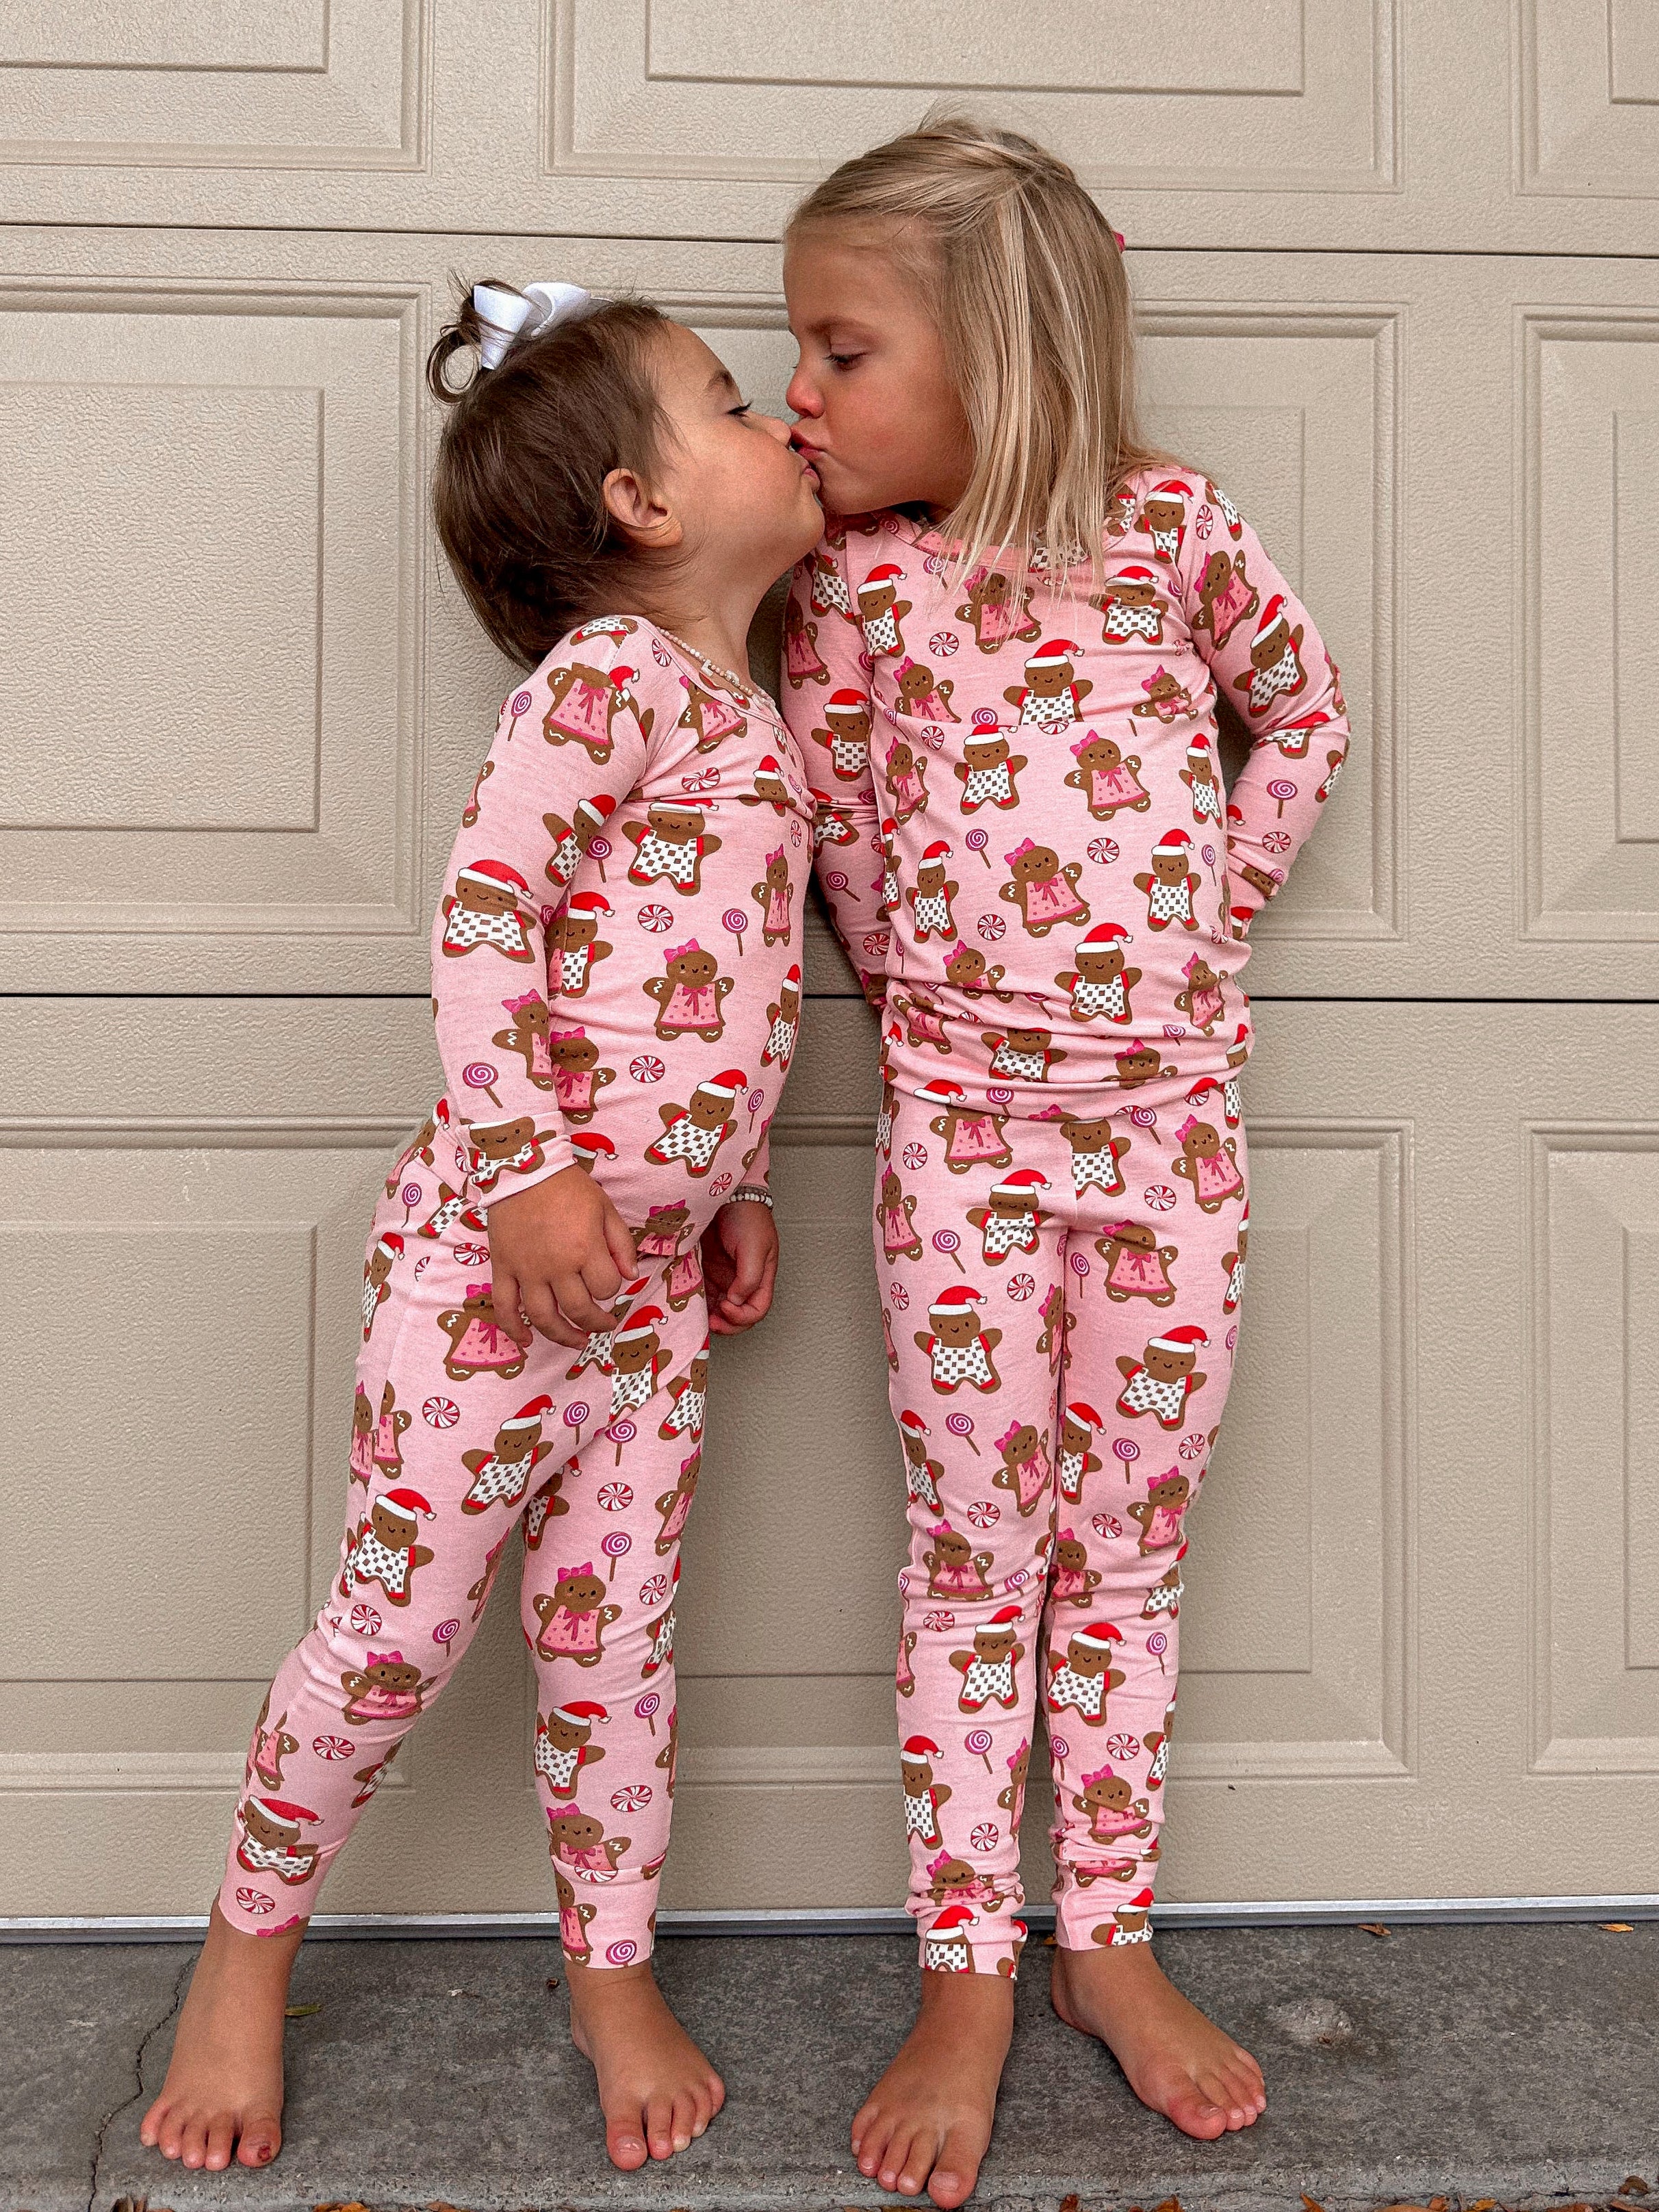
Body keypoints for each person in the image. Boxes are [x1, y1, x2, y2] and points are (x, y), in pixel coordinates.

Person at [140, 279, 826, 2177]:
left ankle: (612, 1973)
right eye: (729, 401)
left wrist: (740, 1189)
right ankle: (242, 1952)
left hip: (647, 1304)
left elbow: (735, 991)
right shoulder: (608, 683)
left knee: (618, 1652)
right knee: (393, 1632)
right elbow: (484, 916)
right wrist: (529, 1171)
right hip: (492, 1279)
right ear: (642, 503)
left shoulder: (757, 718)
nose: (779, 416)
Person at [781, 116, 1350, 2206]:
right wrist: (920, 996)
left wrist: (1210, 915)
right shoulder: (850, 585)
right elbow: (835, 829)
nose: (799, 397)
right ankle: (968, 1966)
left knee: (1123, 1552)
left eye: (842, 351)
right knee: (971, 1552)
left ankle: (1105, 1939)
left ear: (1001, 349)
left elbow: (1306, 715)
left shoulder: (1172, 529)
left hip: (1171, 1133)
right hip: (964, 1144)